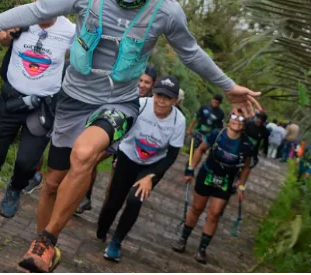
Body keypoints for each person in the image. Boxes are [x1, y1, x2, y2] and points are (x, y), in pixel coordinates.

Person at [0, 0, 261, 273]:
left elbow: (191, 53)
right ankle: (42, 251)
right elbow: (36, 11)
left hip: (118, 101)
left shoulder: (165, 11)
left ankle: (47, 241)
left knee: (85, 154)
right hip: (73, 98)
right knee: (51, 185)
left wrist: (228, 87)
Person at [0, 0, 75, 226]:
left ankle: (15, 187)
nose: (43, 9)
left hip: (42, 107)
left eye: (51, 4)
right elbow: (4, 39)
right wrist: (6, 34)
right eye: (39, 2)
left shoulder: (70, 31)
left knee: (27, 163)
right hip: (9, 99)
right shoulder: (21, 16)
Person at [97, 76, 185, 262]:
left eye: (167, 98)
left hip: (152, 165)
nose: (161, 101)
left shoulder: (178, 121)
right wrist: (116, 153)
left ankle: (116, 242)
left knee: (135, 201)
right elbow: (120, 128)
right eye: (159, 95)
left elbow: (171, 155)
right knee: (114, 201)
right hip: (128, 156)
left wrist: (151, 177)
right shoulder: (141, 104)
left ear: (174, 101)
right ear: (154, 93)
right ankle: (102, 229)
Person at [172, 110, 254, 264]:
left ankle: (202, 249)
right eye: (235, 116)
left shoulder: (247, 144)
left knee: (214, 214)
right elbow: (200, 150)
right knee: (196, 208)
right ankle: (183, 239)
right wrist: (190, 169)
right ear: (229, 119)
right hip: (207, 174)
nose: (237, 120)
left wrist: (242, 185)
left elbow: (247, 167)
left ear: (245, 122)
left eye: (242, 118)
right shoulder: (217, 134)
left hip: (225, 181)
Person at [76, 64, 159, 215]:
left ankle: (105, 215)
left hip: (132, 146)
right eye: (140, 80)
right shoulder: (126, 92)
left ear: (153, 84)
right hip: (117, 134)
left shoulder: (154, 104)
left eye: (147, 82)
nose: (142, 85)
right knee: (92, 158)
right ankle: (85, 197)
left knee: (114, 184)